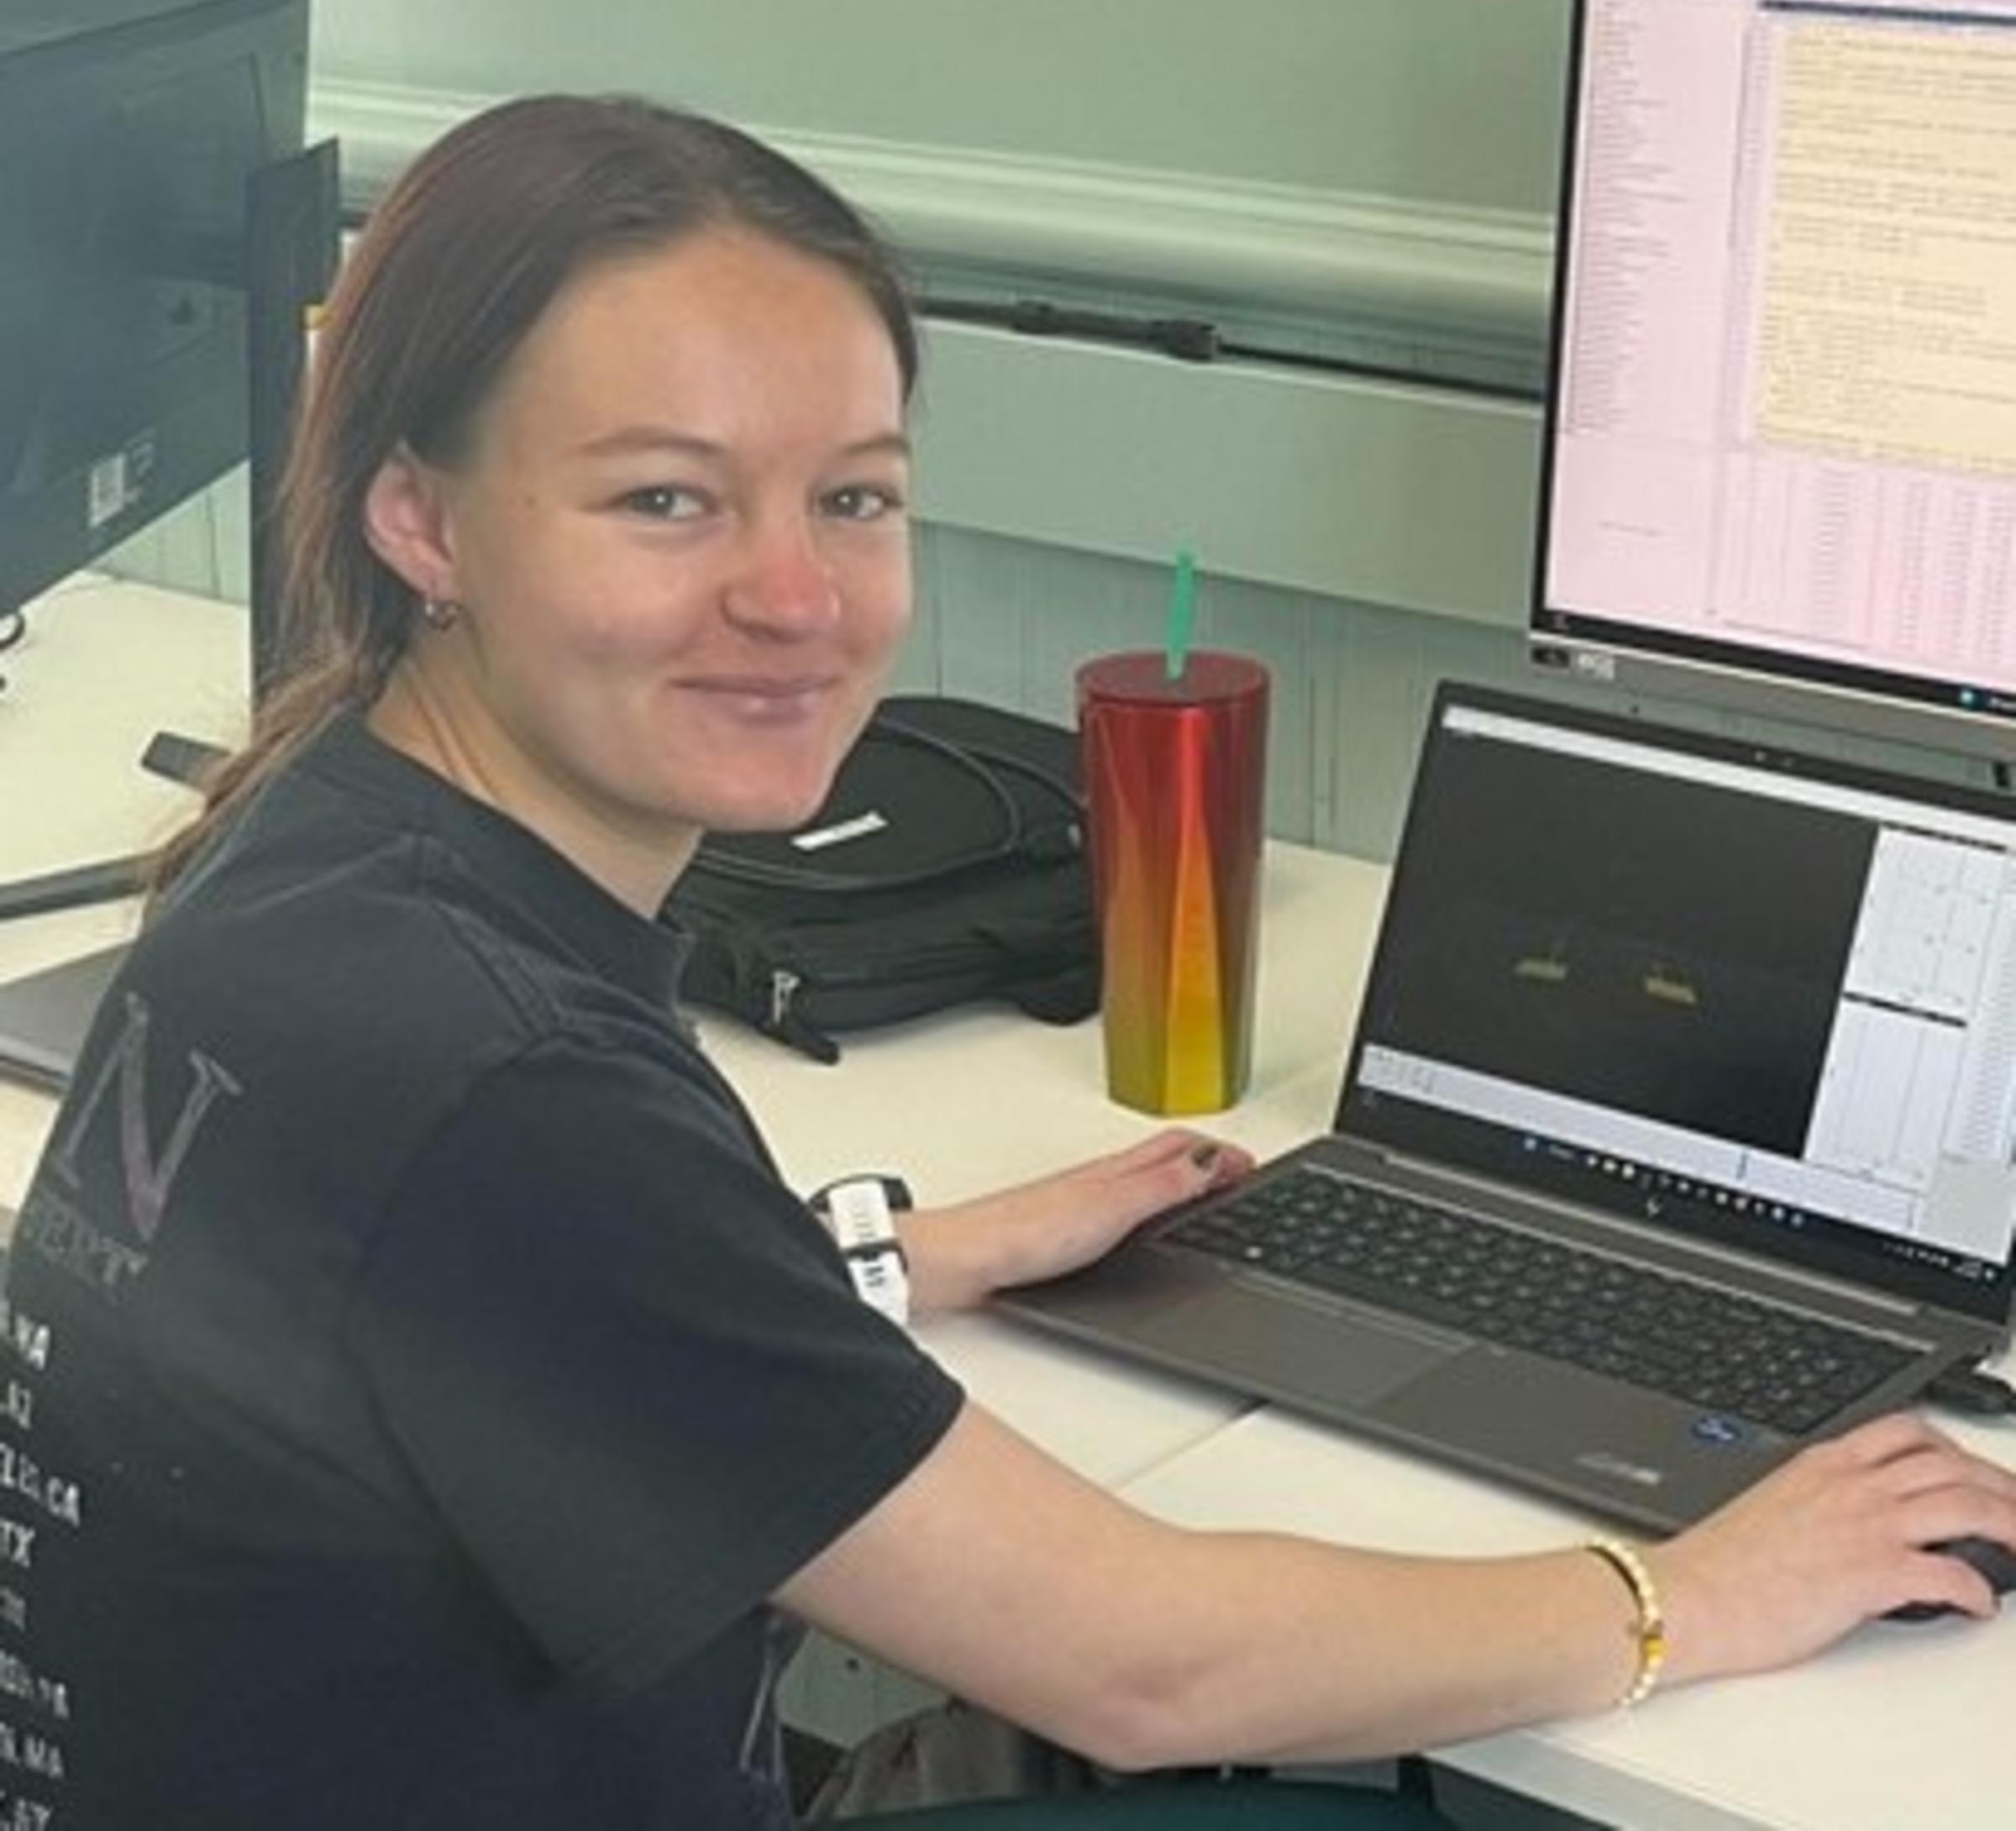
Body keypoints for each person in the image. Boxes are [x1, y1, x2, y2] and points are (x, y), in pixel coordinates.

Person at [4, 95, 2013, 1831]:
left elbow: (484, 1315)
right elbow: (1144, 1666)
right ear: (420, 521)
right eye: (664, 499)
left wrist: (889, 1259)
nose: (796, 595)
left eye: (854, 497)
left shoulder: (313, 848)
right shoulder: (504, 1084)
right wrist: (1696, 1596)